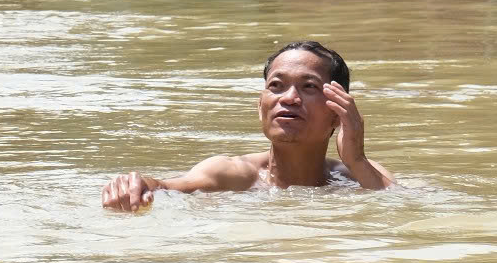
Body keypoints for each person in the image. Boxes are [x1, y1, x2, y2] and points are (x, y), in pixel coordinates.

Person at [102, 40, 393, 209]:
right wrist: (136, 186)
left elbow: (402, 208)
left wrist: (356, 159)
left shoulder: (359, 175)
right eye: (276, 86)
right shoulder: (234, 176)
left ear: (338, 112)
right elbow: (169, 187)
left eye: (308, 87)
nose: (289, 98)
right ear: (260, 107)